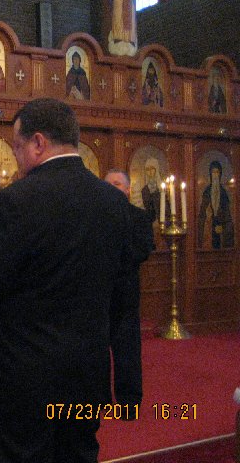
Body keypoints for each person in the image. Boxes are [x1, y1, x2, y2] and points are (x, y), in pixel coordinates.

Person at [0, 98, 134, 462]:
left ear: (38, 143)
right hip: (87, 373)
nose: (16, 156)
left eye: (17, 147)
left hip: (24, 378)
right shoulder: (114, 202)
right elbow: (120, 295)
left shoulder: (16, 200)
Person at [105, 169, 154, 408]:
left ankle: (129, 401)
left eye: (117, 184)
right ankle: (99, 400)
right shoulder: (95, 217)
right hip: (99, 294)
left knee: (127, 350)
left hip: (125, 292)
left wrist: (114, 258)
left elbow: (143, 249)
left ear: (127, 189)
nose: (112, 188)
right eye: (108, 184)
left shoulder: (139, 217)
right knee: (97, 352)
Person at [197, 160, 234, 249]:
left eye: (217, 172)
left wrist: (223, 228)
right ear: (210, 174)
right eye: (213, 172)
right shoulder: (207, 192)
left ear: (220, 174)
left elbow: (228, 216)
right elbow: (202, 215)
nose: (215, 175)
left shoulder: (223, 193)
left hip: (221, 227)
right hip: (209, 228)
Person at [140, 156, 163, 223]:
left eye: (152, 168)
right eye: (147, 169)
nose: (150, 172)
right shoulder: (144, 190)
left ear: (156, 169)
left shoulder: (162, 188)